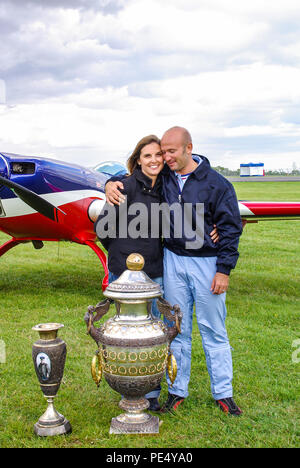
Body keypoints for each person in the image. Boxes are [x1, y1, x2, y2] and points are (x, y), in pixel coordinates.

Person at [105, 126, 243, 416]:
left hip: (207, 262)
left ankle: (223, 392)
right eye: (163, 151)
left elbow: (230, 228)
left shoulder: (217, 184)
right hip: (172, 260)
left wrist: (224, 270)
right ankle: (177, 390)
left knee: (213, 329)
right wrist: (110, 183)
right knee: (176, 329)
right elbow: (134, 177)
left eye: (171, 151)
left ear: (188, 148)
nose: (165, 157)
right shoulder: (165, 178)